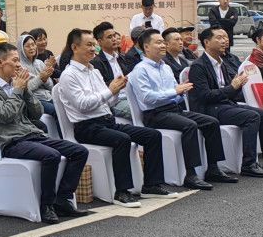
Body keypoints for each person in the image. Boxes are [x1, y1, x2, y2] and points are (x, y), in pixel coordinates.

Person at [58, 28, 178, 204]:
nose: (93, 49)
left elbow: (108, 103)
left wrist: (116, 91)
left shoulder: (94, 71)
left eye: (94, 45)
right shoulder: (68, 75)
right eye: (89, 45)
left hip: (106, 122)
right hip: (87, 127)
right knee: (121, 139)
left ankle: (151, 185)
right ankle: (122, 192)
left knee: (152, 135)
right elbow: (82, 105)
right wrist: (110, 91)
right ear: (75, 47)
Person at [0, 43, 88, 224]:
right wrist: (17, 90)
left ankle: (63, 198)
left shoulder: (18, 85)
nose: (18, 65)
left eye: (18, 61)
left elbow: (37, 113)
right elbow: (5, 116)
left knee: (79, 151)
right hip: (12, 143)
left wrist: (26, 90)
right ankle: (46, 205)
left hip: (33, 135)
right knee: (51, 156)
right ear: (0, 63)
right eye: (14, 61)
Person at [130, 29, 231, 187]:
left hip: (173, 109)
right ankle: (190, 174)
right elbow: (147, 98)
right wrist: (175, 91)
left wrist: (182, 91)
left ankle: (213, 168)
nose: (163, 45)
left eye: (163, 42)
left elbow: (174, 93)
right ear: (146, 47)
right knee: (189, 126)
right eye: (158, 42)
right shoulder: (140, 70)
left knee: (211, 122)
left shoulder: (165, 67)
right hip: (155, 114)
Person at [188, 28, 263, 177]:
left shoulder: (222, 63)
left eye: (225, 37)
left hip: (224, 105)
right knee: (251, 117)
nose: (225, 41)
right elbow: (205, 96)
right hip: (208, 109)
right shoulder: (199, 66)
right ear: (206, 42)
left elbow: (230, 92)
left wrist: (238, 85)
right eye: (219, 38)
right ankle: (249, 163)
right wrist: (233, 87)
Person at [91, 21, 134, 120]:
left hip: (130, 96)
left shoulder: (122, 58)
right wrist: (118, 83)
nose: (114, 39)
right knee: (140, 110)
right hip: (115, 101)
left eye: (114, 36)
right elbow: (100, 88)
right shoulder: (96, 63)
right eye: (110, 37)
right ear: (99, 42)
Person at [17, 34, 58, 128]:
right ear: (21, 49)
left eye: (33, 44)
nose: (31, 48)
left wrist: (45, 77)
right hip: (35, 100)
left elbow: (50, 86)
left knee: (66, 106)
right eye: (27, 46)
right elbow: (26, 89)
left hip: (48, 96)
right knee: (56, 110)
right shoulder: (19, 66)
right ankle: (62, 138)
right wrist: (40, 78)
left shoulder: (39, 63)